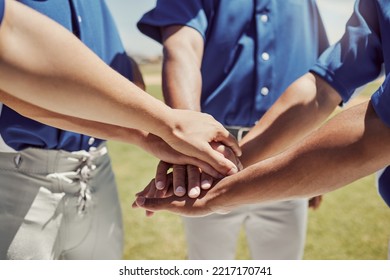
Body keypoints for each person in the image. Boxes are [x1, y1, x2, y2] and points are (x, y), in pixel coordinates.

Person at [135, 0, 390, 255]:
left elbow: (339, 98)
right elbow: (321, 88)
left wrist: (310, 171)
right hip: (215, 157)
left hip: (272, 158)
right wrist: (199, 154)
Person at [0, 0, 239, 259]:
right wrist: (168, 124)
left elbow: (124, 71)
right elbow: (9, 61)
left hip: (96, 173)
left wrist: (145, 133)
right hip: (16, 177)